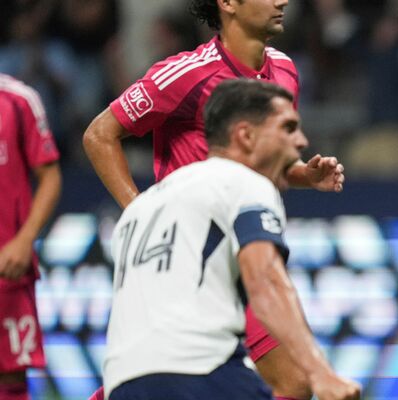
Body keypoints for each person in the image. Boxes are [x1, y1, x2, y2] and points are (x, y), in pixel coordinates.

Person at [82, 1, 342, 398]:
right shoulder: (185, 74)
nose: (282, 0)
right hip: (189, 257)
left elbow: (261, 161)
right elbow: (100, 135)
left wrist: (303, 174)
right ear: (228, 4)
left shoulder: (285, 70)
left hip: (243, 249)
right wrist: (144, 212)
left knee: (286, 382)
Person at [103, 79, 360, 400]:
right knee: (297, 383)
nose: (301, 141)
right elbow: (266, 283)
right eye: (288, 128)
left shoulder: (142, 208)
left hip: (122, 383)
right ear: (246, 135)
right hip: (199, 373)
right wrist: (321, 373)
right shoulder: (242, 182)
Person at [0, 74, 62, 400]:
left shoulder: (18, 99)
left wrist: (25, 241)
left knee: (10, 376)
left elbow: (50, 175)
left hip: (7, 267)